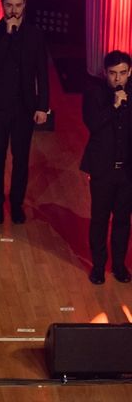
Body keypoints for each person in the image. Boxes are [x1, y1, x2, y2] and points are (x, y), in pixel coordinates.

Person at [0, 0, 49, 225]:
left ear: (24, 6)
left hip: (24, 107)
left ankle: (17, 204)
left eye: (18, 5)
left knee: (21, 157)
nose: (14, 10)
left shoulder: (35, 34)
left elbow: (42, 71)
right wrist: (9, 35)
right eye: (9, 5)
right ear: (2, 6)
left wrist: (43, 106)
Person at [80, 50, 132, 285]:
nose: (118, 79)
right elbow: (93, 125)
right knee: (99, 219)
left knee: (122, 220)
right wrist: (113, 106)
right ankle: (99, 267)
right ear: (105, 73)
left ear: (130, 72)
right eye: (113, 74)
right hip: (102, 170)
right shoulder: (94, 93)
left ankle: (119, 266)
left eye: (122, 73)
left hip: (128, 172)